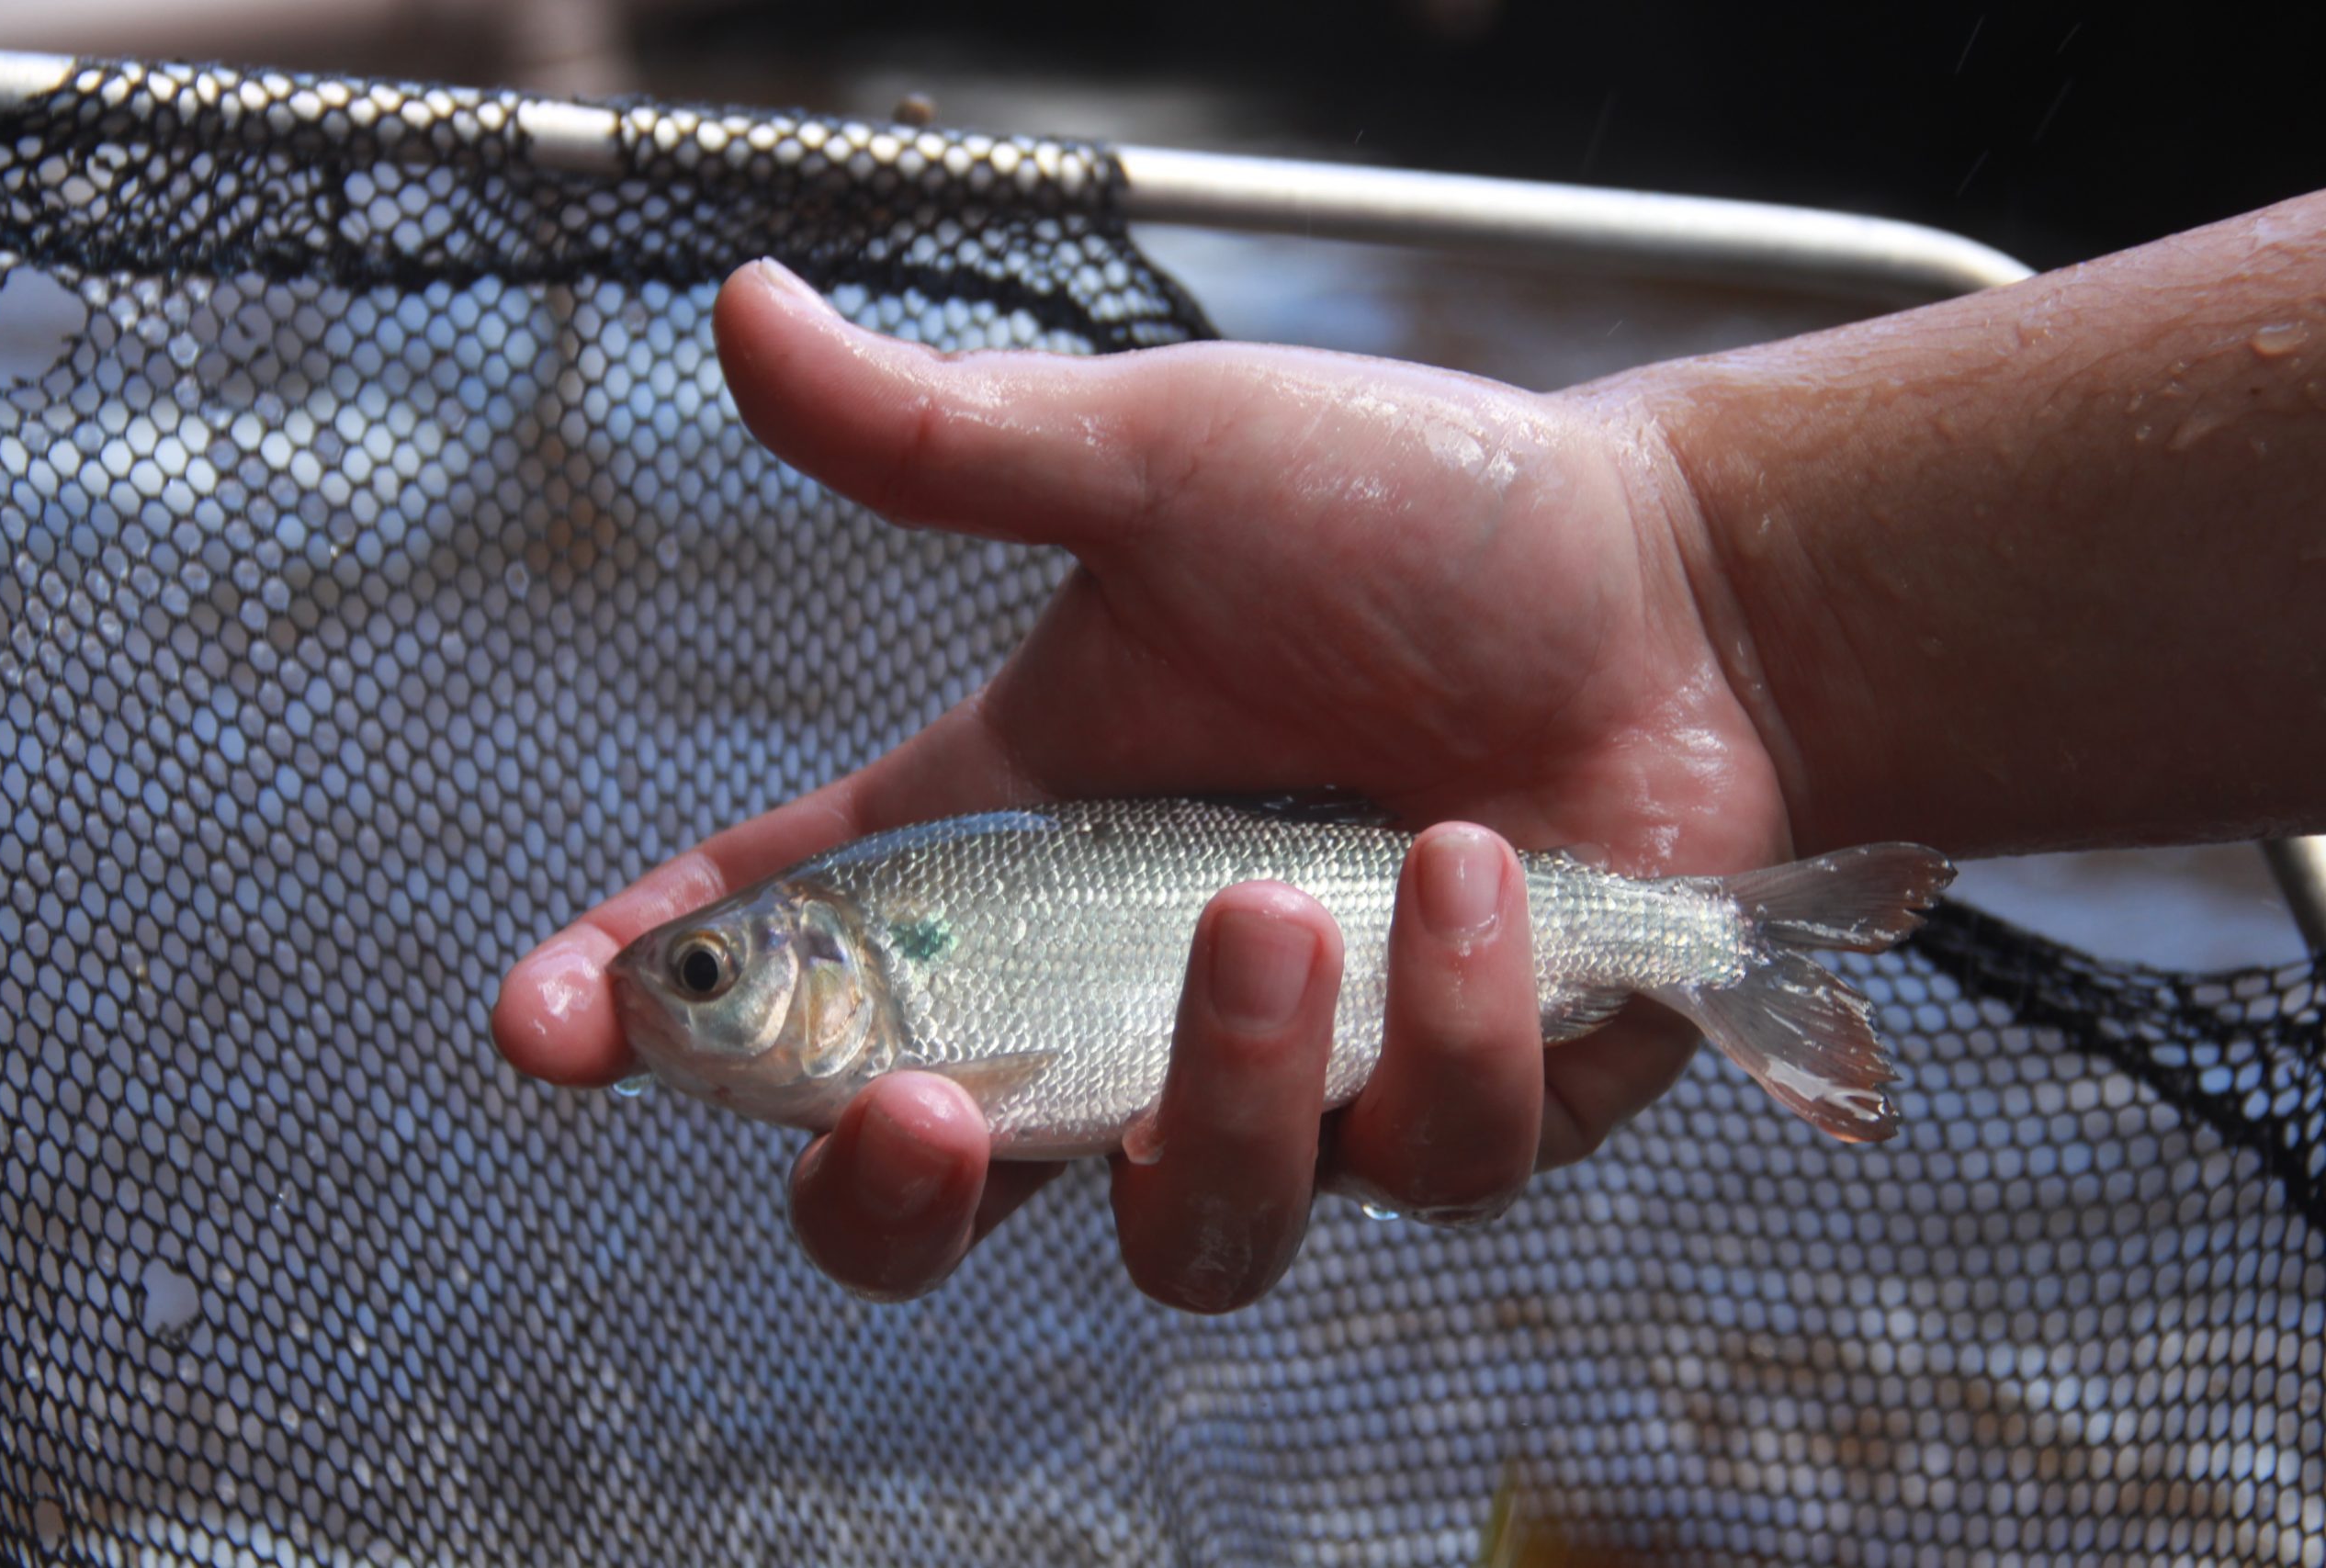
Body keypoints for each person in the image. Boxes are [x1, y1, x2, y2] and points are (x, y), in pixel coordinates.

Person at [491, 190, 2326, 1312]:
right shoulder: (903, 976)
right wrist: (1722, 593)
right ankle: (1724, 938)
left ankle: (1722, 940)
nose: (683, 992)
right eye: (700, 971)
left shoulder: (907, 968)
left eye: (709, 966)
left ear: (821, 962)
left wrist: (1711, 584)